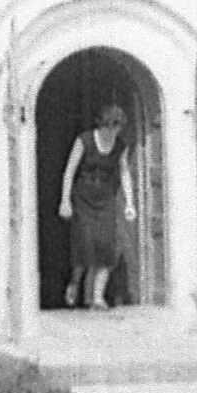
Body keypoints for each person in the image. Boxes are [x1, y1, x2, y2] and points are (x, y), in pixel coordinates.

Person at [59, 101, 136, 310]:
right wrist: (65, 200)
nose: (113, 132)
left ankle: (97, 297)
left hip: (106, 198)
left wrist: (130, 203)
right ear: (103, 125)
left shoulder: (120, 146)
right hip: (83, 197)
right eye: (110, 127)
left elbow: (124, 173)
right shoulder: (84, 140)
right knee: (84, 243)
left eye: (117, 128)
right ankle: (74, 283)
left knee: (106, 245)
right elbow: (69, 171)